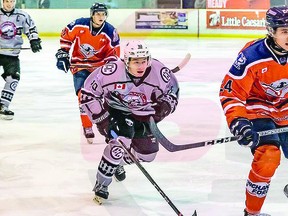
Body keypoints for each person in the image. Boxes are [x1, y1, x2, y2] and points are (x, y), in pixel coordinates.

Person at [79, 40, 179, 203]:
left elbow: (173, 91)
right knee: (120, 141)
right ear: (126, 61)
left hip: (143, 113)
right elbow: (88, 93)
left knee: (148, 155)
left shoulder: (159, 72)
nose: (141, 66)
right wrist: (101, 118)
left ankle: (117, 163)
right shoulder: (111, 72)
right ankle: (102, 183)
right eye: (136, 62)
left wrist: (165, 106)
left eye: (144, 61)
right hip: (116, 110)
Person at [219, 5, 288, 216]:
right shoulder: (252, 56)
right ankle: (252, 212)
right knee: (268, 157)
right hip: (259, 108)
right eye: (285, 31)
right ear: (271, 31)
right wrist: (238, 122)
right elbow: (231, 92)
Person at [55, 2, 120, 144]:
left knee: (103, 99)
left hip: (99, 68)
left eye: (103, 14)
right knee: (83, 96)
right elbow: (66, 36)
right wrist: (63, 53)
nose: (101, 17)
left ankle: (107, 128)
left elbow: (114, 53)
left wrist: (110, 68)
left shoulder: (110, 31)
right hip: (80, 65)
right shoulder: (79, 24)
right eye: (98, 14)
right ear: (92, 14)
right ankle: (87, 126)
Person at [0, 0, 42, 120]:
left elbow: (32, 28)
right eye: (7, 1)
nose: (9, 4)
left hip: (12, 55)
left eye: (11, 1)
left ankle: (3, 105)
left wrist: (34, 40)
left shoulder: (22, 15)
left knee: (13, 79)